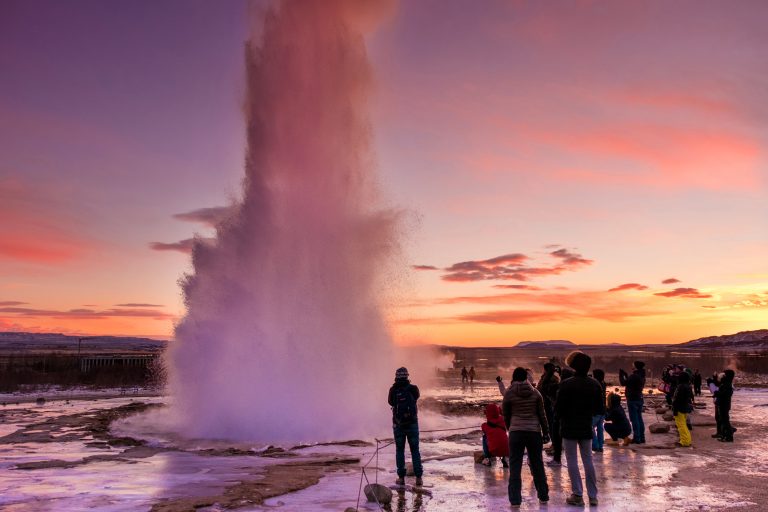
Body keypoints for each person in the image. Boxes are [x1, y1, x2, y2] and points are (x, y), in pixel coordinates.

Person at [556, 351, 602, 507]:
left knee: (572, 460)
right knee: (588, 460)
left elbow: (559, 408)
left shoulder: (566, 384)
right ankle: (593, 496)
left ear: (573, 366)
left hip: (569, 426)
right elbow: (599, 408)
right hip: (586, 425)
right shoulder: (594, 384)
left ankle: (577, 494)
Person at [502, 367, 550, 508]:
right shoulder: (536, 393)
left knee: (515, 466)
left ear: (514, 377)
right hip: (534, 432)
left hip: (516, 432)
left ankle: (515, 500)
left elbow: (506, 414)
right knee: (537, 464)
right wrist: (546, 432)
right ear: (526, 378)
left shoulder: (509, 393)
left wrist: (510, 428)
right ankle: (543, 496)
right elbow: (542, 415)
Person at [387, 367, 423, 486]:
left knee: (400, 451)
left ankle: (401, 478)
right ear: (407, 376)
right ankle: (418, 478)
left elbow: (391, 402)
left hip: (398, 425)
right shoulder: (413, 389)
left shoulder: (393, 390)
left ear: (396, 376)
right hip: (412, 424)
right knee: (415, 451)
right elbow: (417, 397)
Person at [536, 363, 560, 460]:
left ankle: (555, 445)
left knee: (551, 425)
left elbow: (542, 389)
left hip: (548, 404)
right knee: (550, 425)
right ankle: (554, 444)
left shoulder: (550, 379)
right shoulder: (549, 378)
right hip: (546, 403)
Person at [619, 361, 646, 444]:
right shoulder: (642, 375)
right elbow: (630, 382)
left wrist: (621, 375)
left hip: (632, 399)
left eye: (633, 365)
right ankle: (642, 437)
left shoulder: (634, 376)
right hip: (639, 398)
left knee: (634, 419)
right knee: (639, 418)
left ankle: (637, 438)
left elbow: (623, 383)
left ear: (636, 367)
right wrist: (626, 375)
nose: (632, 366)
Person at [671, 371, 694, 447]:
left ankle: (684, 441)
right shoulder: (688, 386)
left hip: (679, 408)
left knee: (681, 425)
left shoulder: (681, 387)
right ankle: (687, 440)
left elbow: (677, 399)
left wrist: (674, 409)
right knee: (683, 425)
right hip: (684, 407)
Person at [714, 369, 736, 442]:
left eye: (724, 374)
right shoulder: (725, 382)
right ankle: (725, 435)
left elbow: (726, 394)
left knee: (725, 421)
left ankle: (729, 437)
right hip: (722, 404)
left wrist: (718, 393)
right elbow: (718, 384)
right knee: (723, 421)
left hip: (724, 405)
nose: (723, 375)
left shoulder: (728, 384)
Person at [591, 369, 607, 452]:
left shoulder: (595, 385)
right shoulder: (603, 384)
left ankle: (595, 444)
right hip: (602, 410)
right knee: (600, 428)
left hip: (596, 410)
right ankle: (600, 446)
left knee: (591, 427)